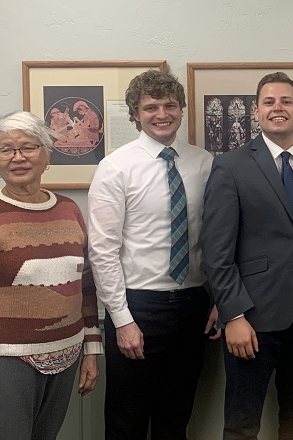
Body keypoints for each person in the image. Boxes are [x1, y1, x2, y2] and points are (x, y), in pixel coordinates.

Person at [201, 71, 293, 440]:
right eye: (268, 102)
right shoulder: (230, 166)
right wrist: (232, 315)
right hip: (252, 317)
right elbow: (216, 252)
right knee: (242, 423)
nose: (277, 108)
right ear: (256, 114)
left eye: (285, 102)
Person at [0, 111, 102, 439]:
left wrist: (91, 350)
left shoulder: (69, 210)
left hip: (67, 355)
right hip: (4, 362)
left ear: (47, 153)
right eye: (5, 150)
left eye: (29, 147)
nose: (18, 157)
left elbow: (85, 287)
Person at [88, 70, 220, 440]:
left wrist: (221, 299)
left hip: (194, 305)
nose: (162, 114)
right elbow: (102, 251)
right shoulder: (115, 167)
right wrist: (123, 320)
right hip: (138, 308)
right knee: (126, 421)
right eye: (151, 107)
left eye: (169, 105)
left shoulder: (205, 163)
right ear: (135, 113)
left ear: (180, 109)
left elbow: (219, 238)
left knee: (175, 418)